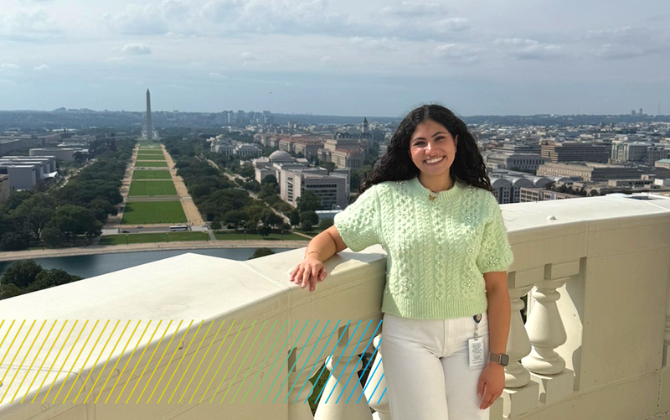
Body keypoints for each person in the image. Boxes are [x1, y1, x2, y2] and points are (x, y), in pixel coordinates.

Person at [289, 104, 514, 419]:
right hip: (408, 337)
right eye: (420, 142)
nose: (430, 149)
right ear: (408, 151)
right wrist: (313, 257)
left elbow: (497, 289)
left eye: (439, 139)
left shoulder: (482, 204)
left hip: (471, 337)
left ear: (456, 142)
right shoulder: (386, 198)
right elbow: (332, 237)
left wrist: (497, 362)